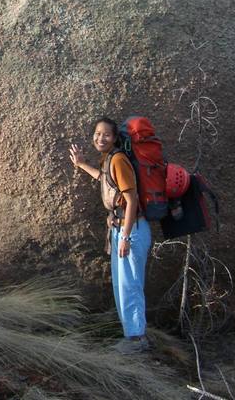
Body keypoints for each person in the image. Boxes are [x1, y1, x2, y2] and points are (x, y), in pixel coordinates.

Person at [69, 117, 151, 354]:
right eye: (97, 134)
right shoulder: (109, 160)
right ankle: (132, 335)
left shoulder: (119, 160)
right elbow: (104, 180)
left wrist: (125, 237)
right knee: (121, 283)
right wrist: (82, 164)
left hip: (131, 229)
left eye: (106, 134)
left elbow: (131, 199)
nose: (100, 138)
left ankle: (137, 340)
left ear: (115, 138)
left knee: (130, 285)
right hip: (120, 228)